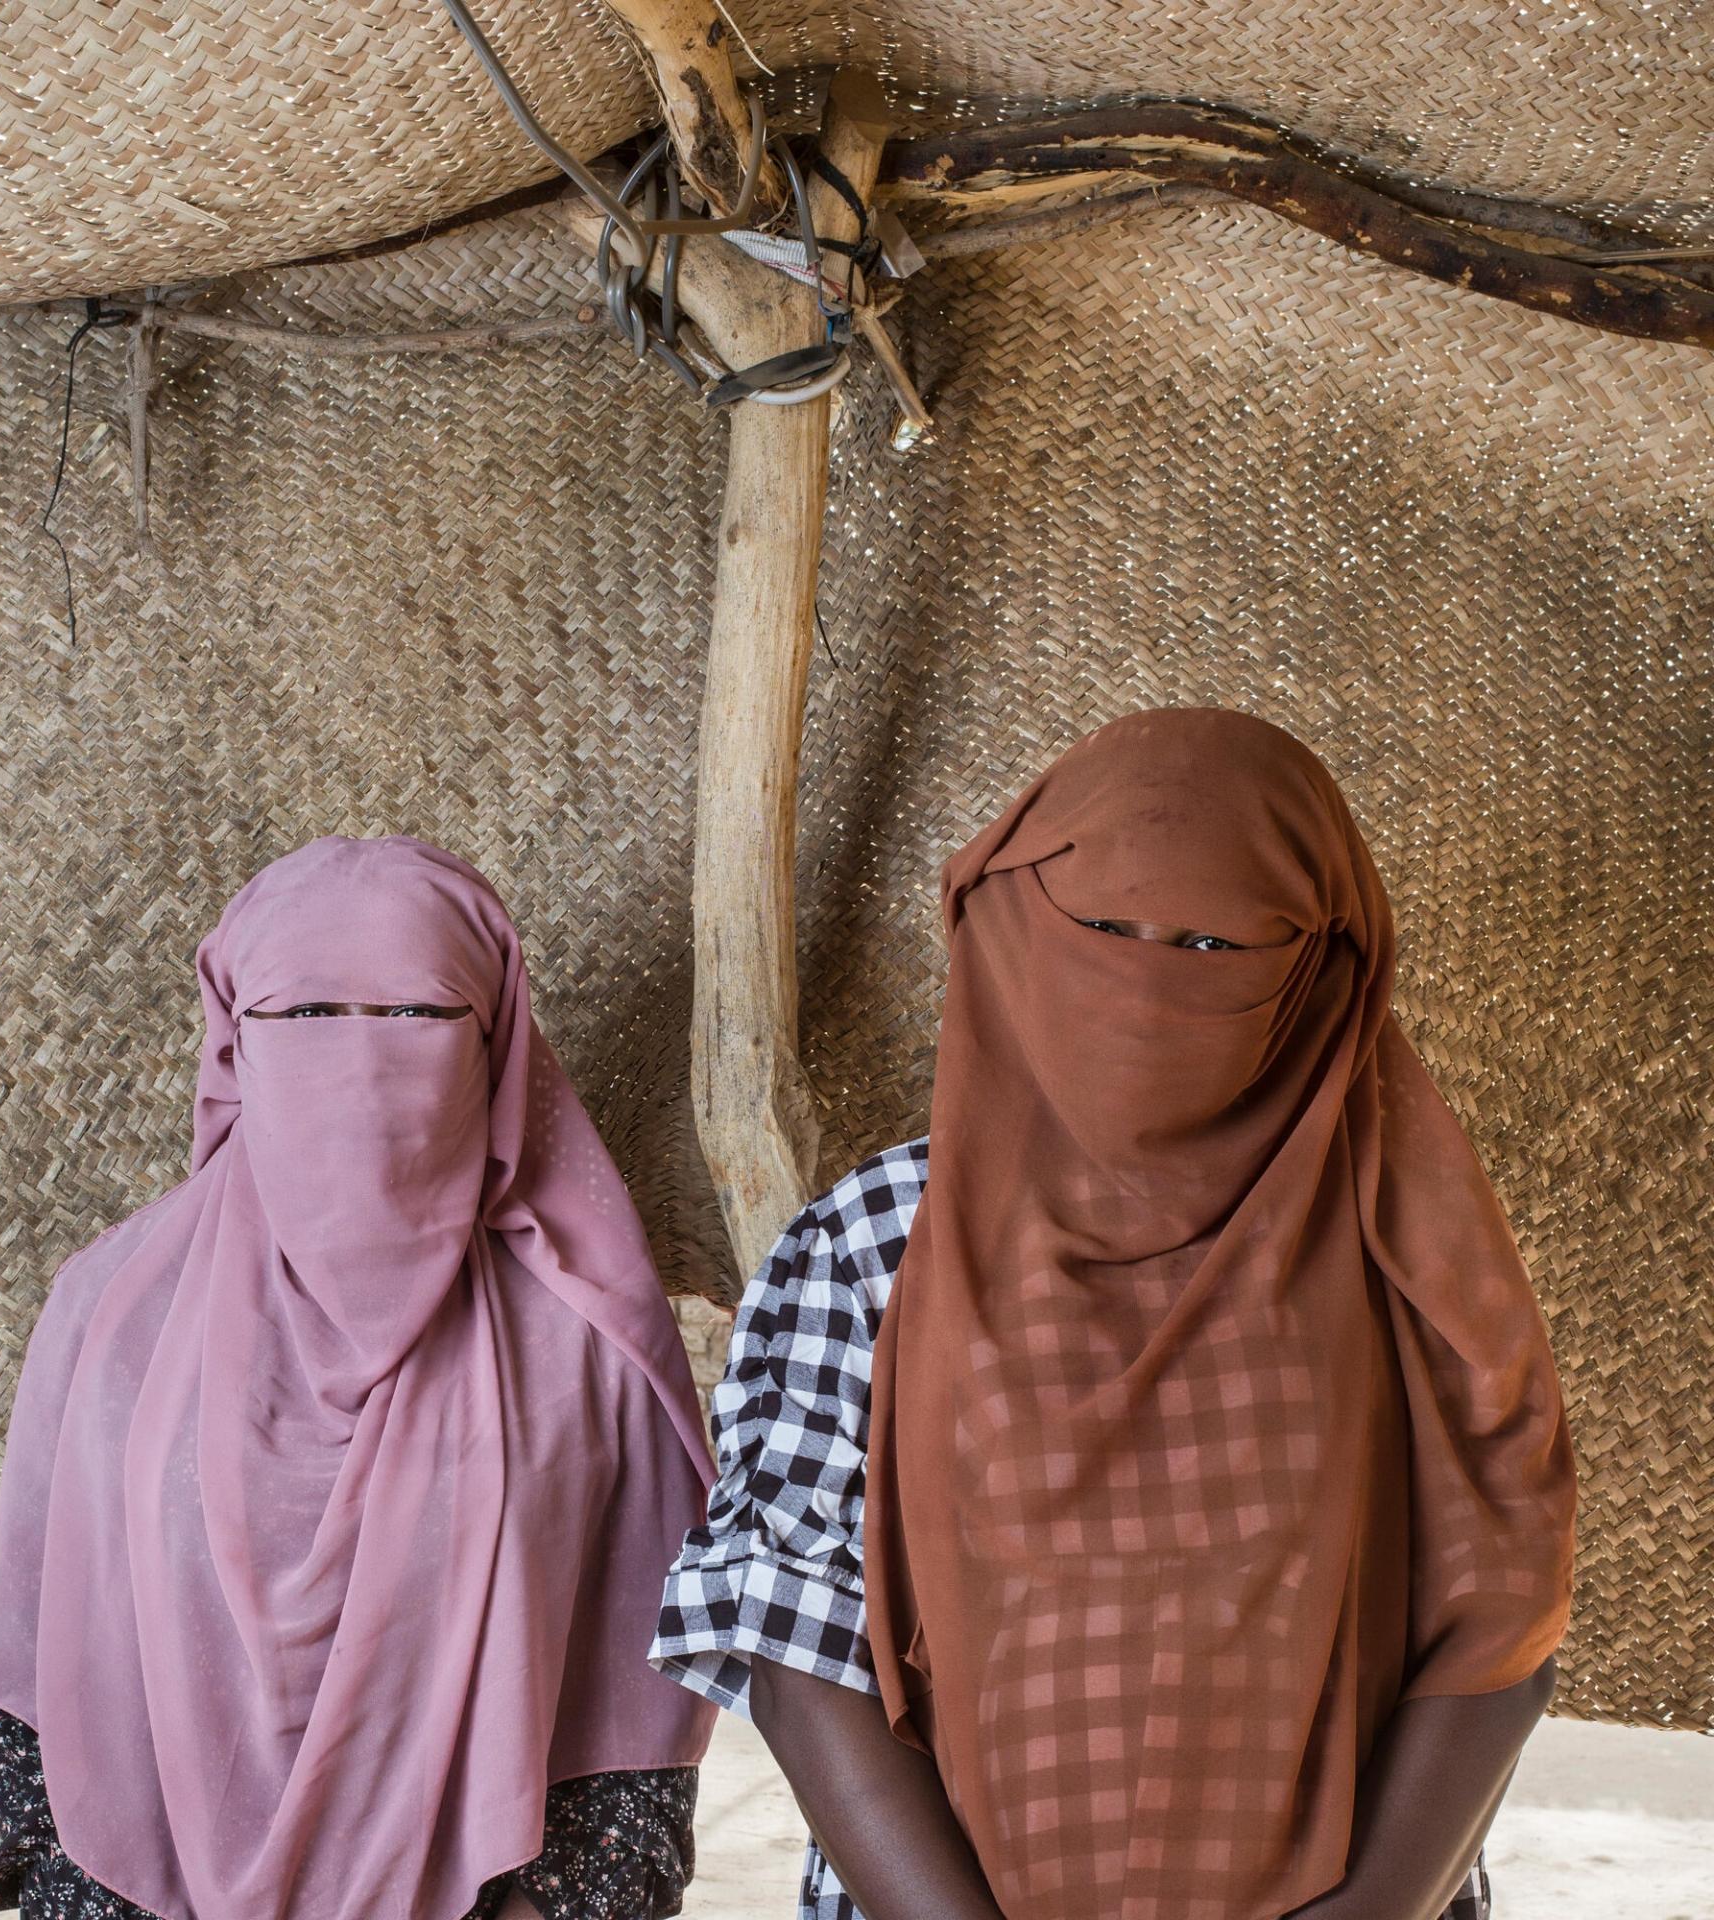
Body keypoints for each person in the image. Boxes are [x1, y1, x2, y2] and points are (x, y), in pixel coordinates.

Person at [653, 708, 1577, 1920]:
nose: (1147, 984)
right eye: (1103, 929)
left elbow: (1498, 1613)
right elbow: (788, 1617)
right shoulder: (878, 1240)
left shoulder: (1400, 1250)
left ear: (1326, 968)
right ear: (1011, 919)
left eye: (1213, 943)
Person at [0, 836, 716, 1920]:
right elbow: (36, 1680)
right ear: (234, 1044)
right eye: (304, 1017)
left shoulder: (584, 1346)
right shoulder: (112, 1313)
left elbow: (631, 1715)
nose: (362, 1062)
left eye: (417, 1016)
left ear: (495, 1045)